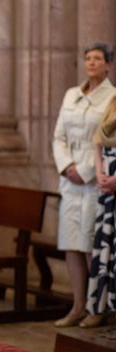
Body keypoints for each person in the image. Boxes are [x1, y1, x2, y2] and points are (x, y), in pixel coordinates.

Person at [52, 43, 115, 327]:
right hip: (69, 179)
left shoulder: (112, 97)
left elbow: (104, 142)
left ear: (108, 64)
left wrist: (87, 171)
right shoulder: (71, 95)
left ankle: (96, 307)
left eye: (97, 59)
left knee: (91, 244)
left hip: (93, 180)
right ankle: (77, 305)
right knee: (71, 245)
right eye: (88, 58)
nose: (91, 63)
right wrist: (67, 166)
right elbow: (58, 137)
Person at [84, 93, 116, 327]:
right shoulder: (112, 101)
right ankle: (100, 307)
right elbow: (98, 140)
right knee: (106, 250)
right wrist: (100, 173)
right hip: (107, 191)